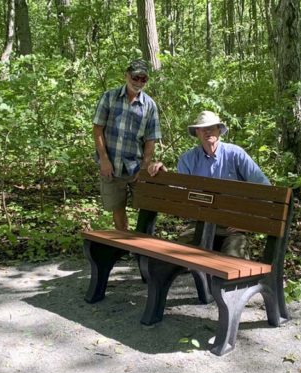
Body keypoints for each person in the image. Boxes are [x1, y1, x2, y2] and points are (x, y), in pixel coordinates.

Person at [147, 110, 269, 258]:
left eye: (212, 127)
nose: (208, 131)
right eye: (203, 128)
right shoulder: (188, 159)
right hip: (198, 225)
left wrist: (247, 221)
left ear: (219, 130)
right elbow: (178, 192)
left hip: (231, 227)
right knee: (172, 258)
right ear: (197, 132)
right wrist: (164, 175)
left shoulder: (236, 154)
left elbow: (264, 189)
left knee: (233, 261)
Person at [92, 59, 162, 231]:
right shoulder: (109, 97)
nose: (138, 82)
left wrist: (144, 168)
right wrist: (104, 160)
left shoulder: (149, 105)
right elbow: (97, 129)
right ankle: (124, 246)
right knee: (117, 208)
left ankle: (142, 247)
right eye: (135, 77)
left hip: (136, 166)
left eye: (143, 79)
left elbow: (150, 139)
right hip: (111, 163)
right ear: (126, 76)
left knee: (148, 205)